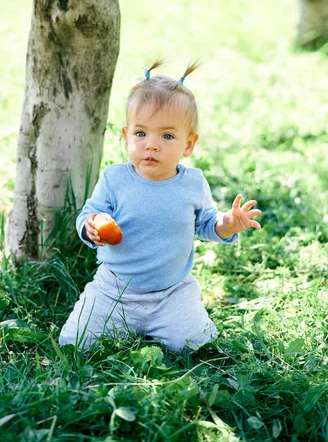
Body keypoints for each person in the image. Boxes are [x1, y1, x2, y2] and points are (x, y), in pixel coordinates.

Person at [59, 60, 262, 353]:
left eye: (167, 136)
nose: (151, 145)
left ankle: (169, 326)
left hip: (172, 294)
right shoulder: (114, 178)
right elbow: (87, 215)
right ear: (127, 137)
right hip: (114, 289)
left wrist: (227, 223)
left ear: (189, 145)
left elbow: (206, 222)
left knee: (197, 345)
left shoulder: (193, 183)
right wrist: (91, 225)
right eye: (141, 134)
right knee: (75, 343)